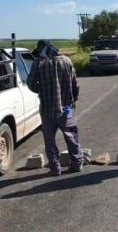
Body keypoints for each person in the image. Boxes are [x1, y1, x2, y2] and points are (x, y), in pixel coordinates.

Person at [27, 40, 83, 176]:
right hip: (66, 108)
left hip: (47, 109)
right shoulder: (67, 61)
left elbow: (30, 84)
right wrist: (73, 99)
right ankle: (77, 164)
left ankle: (55, 167)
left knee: (49, 141)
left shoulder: (38, 64)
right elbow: (75, 84)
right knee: (71, 137)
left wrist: (41, 88)